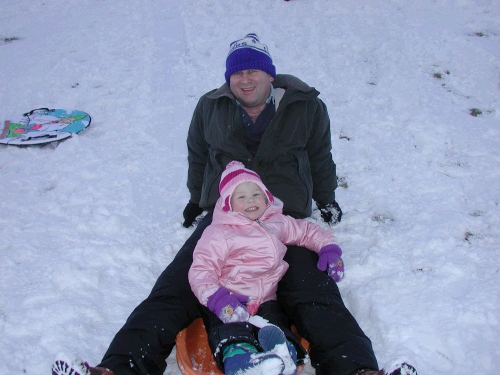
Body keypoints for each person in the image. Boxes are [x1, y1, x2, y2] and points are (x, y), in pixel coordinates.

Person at [52, 33, 416, 375]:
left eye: (252, 70)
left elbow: (321, 155)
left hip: (283, 218)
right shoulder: (209, 106)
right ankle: (118, 367)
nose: (244, 79)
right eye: (236, 72)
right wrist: (196, 200)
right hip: (223, 220)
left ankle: (357, 369)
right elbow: (197, 154)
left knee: (315, 295)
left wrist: (327, 199)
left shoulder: (306, 107)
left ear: (269, 74)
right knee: (173, 291)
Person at [188, 161, 345, 375]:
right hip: (230, 301)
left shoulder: (276, 223)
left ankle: (282, 357)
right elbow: (201, 269)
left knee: (276, 328)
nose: (250, 200)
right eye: (241, 197)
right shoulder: (219, 233)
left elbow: (306, 231)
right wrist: (217, 298)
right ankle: (242, 364)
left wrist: (328, 248)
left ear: (266, 197)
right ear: (228, 204)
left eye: (256, 194)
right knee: (232, 333)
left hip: (267, 301)